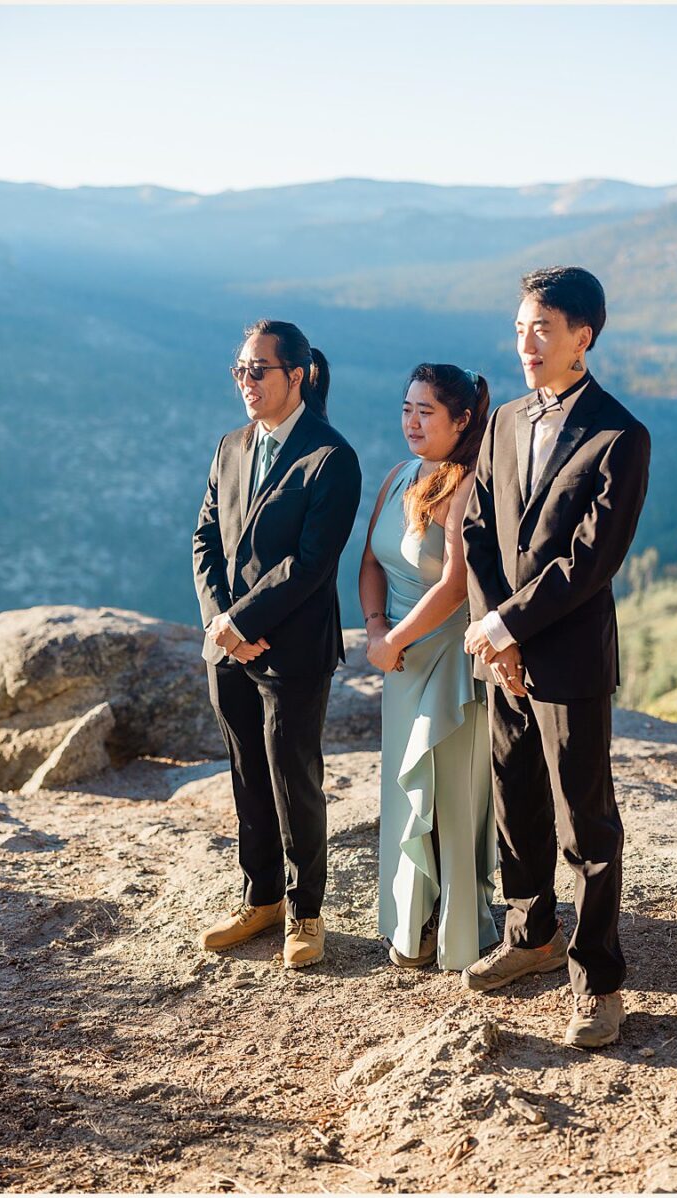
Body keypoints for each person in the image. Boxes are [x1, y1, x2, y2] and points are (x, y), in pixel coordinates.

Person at [460, 266, 650, 1049]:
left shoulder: (620, 436)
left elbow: (589, 561)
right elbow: (475, 529)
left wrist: (508, 625)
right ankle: (530, 936)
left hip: (568, 659)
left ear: (583, 336)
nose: (526, 343)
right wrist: (491, 631)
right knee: (516, 805)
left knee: (586, 826)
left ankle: (598, 983)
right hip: (501, 654)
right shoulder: (504, 420)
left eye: (541, 328)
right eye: (519, 329)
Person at [192, 320, 362, 969]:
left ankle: (305, 911)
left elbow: (311, 564)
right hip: (229, 647)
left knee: (295, 781)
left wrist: (243, 622)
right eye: (240, 369)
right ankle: (259, 898)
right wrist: (222, 623)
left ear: (297, 375)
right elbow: (205, 538)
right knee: (246, 776)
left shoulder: (331, 458)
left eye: (258, 370)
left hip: (292, 649)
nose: (246, 381)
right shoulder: (231, 446)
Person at [360, 364, 497, 971]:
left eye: (426, 412)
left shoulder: (466, 486)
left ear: (461, 420)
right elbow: (371, 560)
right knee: (404, 790)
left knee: (449, 796)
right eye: (406, 409)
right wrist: (375, 630)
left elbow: (455, 585)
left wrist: (396, 639)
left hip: (445, 658)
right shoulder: (398, 476)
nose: (411, 422)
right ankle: (410, 920)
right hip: (399, 658)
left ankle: (455, 927)